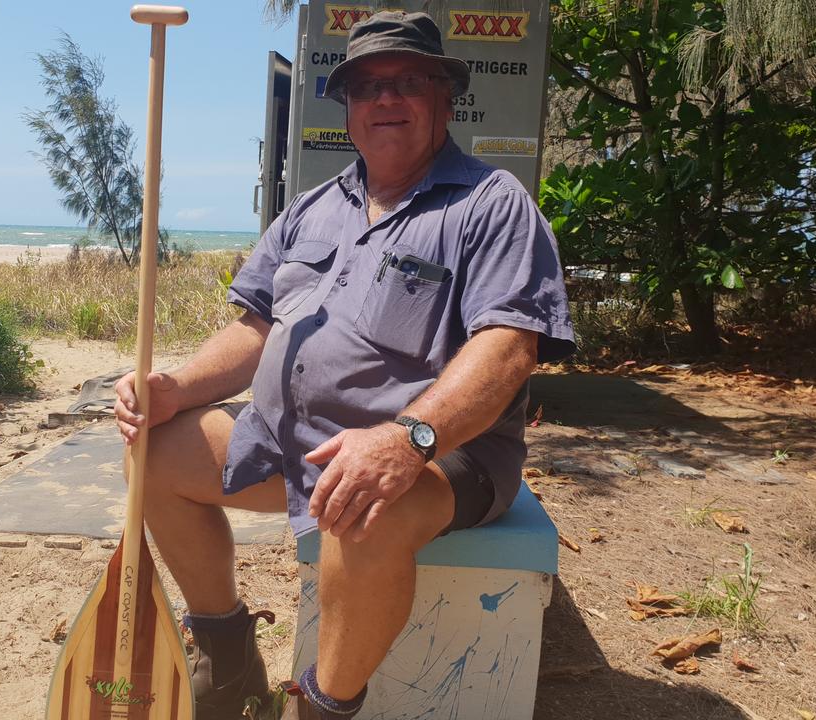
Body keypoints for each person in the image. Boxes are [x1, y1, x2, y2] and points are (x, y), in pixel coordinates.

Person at [113, 10, 575, 720]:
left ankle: (323, 706)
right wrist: (174, 389)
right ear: (349, 109)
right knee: (156, 447)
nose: (385, 99)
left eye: (407, 81)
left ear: (444, 99)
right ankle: (226, 650)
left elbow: (509, 348)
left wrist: (407, 439)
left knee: (361, 508)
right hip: (294, 443)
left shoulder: (490, 204)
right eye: (366, 87)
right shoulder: (309, 210)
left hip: (444, 456)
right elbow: (254, 327)